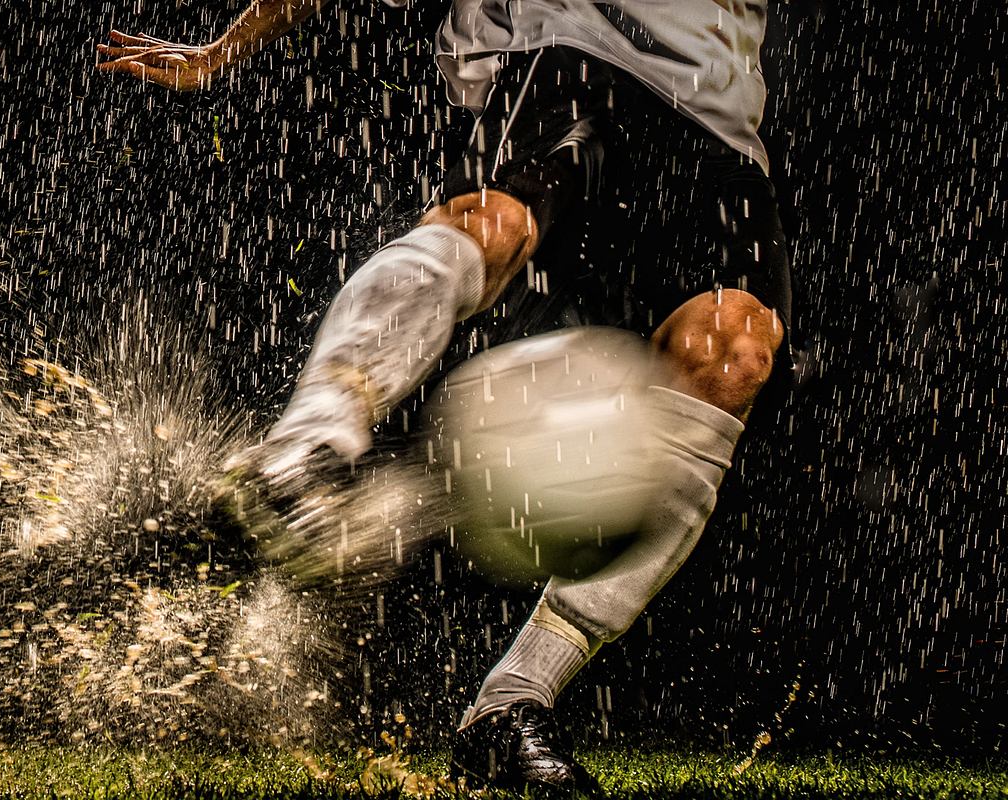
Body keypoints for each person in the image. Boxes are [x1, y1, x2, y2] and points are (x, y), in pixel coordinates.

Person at [97, 0, 792, 795]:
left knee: (735, 355)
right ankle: (302, 453)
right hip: (564, 45)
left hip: (719, 114)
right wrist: (230, 45)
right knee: (494, 228)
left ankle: (511, 707)